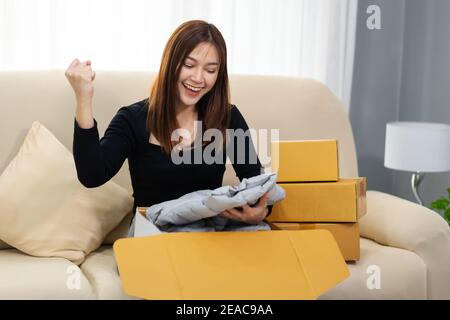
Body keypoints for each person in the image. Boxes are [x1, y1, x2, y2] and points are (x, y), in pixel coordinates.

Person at [65, 20, 272, 226]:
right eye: (189, 65)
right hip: (153, 236)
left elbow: (257, 183)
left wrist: (260, 212)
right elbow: (92, 176)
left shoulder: (228, 117)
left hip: (207, 236)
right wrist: (84, 98)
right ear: (170, 62)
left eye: (210, 70)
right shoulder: (133, 119)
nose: (198, 78)